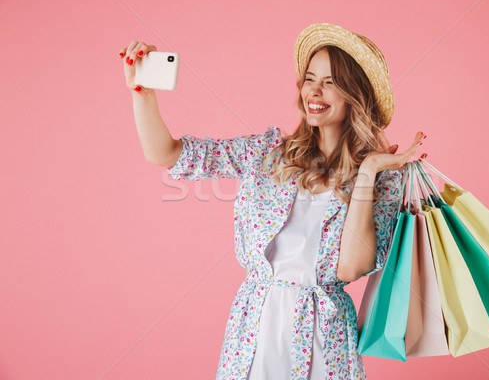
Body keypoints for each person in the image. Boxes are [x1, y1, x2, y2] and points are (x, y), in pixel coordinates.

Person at [119, 22, 427, 380]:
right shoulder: (265, 152)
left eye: (331, 82)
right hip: (255, 327)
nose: (315, 90)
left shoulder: (385, 177)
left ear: (355, 95)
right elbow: (169, 154)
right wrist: (142, 94)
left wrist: (368, 171)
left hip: (325, 336)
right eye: (310, 78)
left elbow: (350, 269)